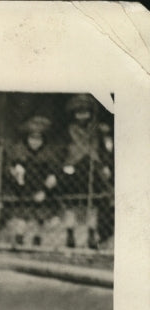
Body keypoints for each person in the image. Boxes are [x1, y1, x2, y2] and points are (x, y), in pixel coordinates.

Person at [57, 94, 111, 249]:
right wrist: (64, 166)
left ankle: (92, 233)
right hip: (72, 168)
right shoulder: (68, 131)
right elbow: (62, 151)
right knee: (71, 202)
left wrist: (105, 165)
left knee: (93, 203)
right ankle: (70, 233)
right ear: (73, 115)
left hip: (92, 168)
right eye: (78, 113)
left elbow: (104, 151)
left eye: (85, 112)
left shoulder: (97, 131)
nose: (82, 116)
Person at [3, 115, 59, 247]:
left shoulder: (48, 154)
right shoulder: (18, 151)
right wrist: (15, 174)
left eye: (38, 139)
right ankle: (19, 236)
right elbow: (9, 169)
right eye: (32, 138)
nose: (35, 142)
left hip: (41, 189)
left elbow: (53, 173)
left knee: (41, 216)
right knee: (22, 214)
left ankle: (37, 238)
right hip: (22, 188)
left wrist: (45, 190)